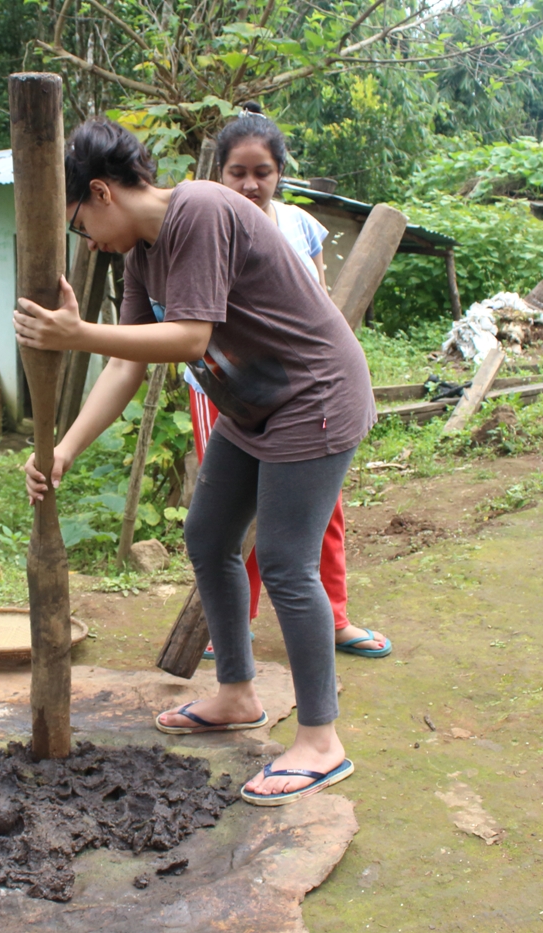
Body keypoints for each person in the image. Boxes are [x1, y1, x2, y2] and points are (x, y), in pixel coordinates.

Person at [17, 118, 375, 805]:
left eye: (80, 225)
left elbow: (188, 338)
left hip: (314, 395)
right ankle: (237, 692)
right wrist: (62, 449)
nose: (86, 242)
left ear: (102, 192)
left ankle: (321, 742)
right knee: (208, 535)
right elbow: (125, 361)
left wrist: (74, 332)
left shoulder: (203, 210)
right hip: (252, 402)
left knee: (284, 560)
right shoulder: (140, 254)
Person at [198, 103, 391, 661]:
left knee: (317, 511)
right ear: (219, 174)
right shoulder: (209, 227)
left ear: (280, 172)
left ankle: (333, 618)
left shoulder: (300, 225)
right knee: (234, 511)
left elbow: (322, 306)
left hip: (305, 393)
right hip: (233, 389)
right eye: (238, 172)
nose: (251, 183)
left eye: (262, 171)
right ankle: (235, 621)